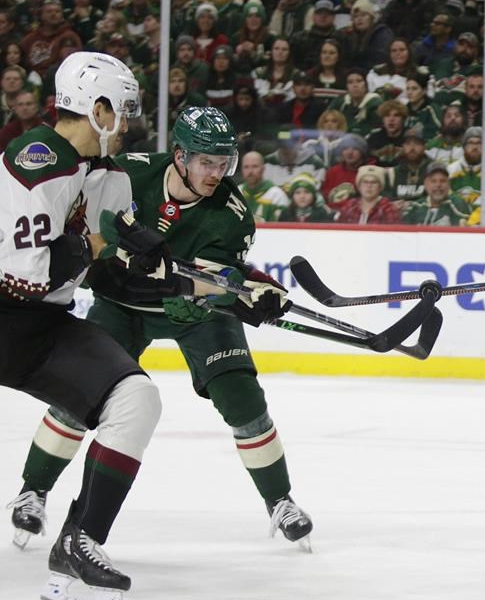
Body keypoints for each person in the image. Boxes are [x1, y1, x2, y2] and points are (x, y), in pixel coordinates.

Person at [12, 107, 315, 567]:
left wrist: (251, 290)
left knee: (242, 397)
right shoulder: (127, 175)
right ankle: (32, 492)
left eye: (224, 163)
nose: (218, 173)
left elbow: (219, 277)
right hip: (121, 304)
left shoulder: (231, 214)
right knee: (78, 393)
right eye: (207, 163)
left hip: (192, 309)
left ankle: (280, 500)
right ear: (179, 155)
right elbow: (90, 227)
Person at [1, 51, 169, 600]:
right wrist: (97, 249)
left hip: (41, 328)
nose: (128, 124)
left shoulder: (111, 176)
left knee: (136, 398)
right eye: (121, 111)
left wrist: (205, 294)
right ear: (96, 109)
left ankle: (79, 545)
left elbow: (108, 269)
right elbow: (25, 276)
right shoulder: (36, 158)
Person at [401, 161, 471, 226]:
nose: (438, 185)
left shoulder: (458, 204)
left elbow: (462, 235)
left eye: (443, 181)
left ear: (449, 184)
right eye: (433, 181)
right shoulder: (415, 207)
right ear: (425, 184)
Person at [336, 164, 402, 224]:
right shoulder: (349, 206)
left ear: (380, 187)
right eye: (365, 182)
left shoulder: (388, 208)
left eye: (374, 182)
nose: (369, 186)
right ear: (359, 186)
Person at [240, 150, 289, 222]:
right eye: (246, 167)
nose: (250, 171)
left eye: (255, 166)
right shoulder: (236, 192)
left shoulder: (277, 195)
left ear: (263, 169)